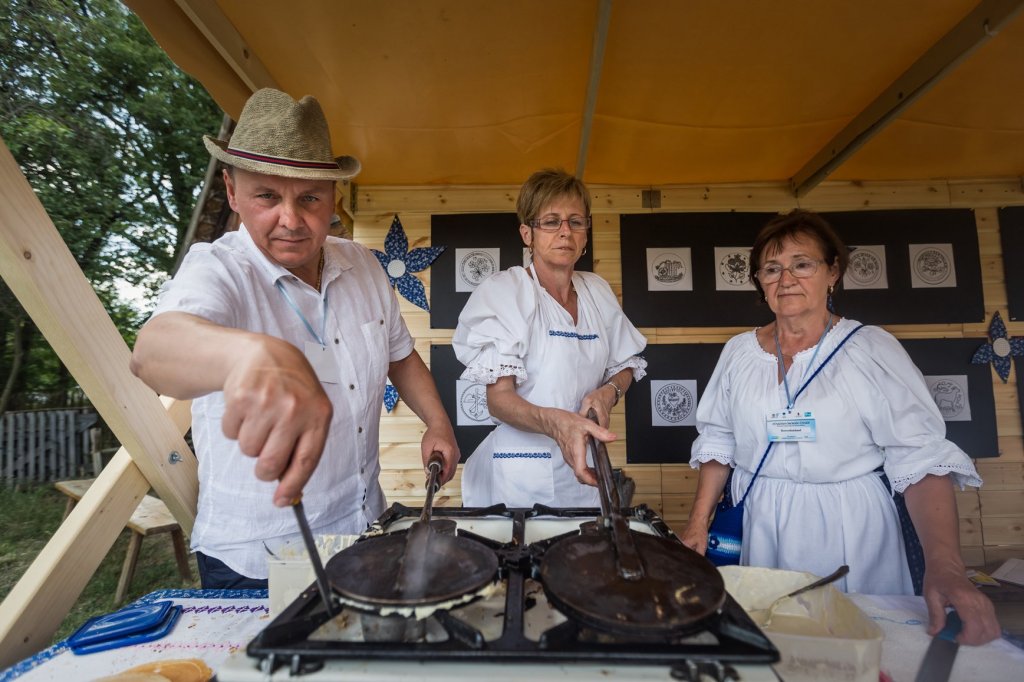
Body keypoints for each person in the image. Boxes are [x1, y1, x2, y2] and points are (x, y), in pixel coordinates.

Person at [130, 88, 459, 589]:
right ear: (232, 191)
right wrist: (254, 355)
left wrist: (438, 422)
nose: (291, 219)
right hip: (256, 561)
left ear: (334, 198)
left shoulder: (365, 266)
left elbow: (401, 357)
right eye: (267, 196)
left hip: (363, 530)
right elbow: (153, 351)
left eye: (309, 198)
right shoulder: (218, 268)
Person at [680, 209, 999, 645]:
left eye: (802, 264)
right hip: (761, 522)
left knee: (858, 644)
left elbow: (920, 458)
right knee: (769, 643)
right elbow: (719, 440)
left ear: (832, 272)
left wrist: (946, 566)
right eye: (771, 269)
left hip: (852, 524)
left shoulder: (869, 348)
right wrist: (698, 523)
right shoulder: (739, 352)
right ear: (759, 281)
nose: (785, 279)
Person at [452, 169, 647, 508]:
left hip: (584, 470)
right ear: (527, 233)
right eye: (551, 221)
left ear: (586, 232)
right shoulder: (505, 292)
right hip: (519, 479)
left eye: (576, 221)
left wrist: (608, 393)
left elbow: (625, 365)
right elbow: (499, 400)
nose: (565, 232)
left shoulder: (597, 291)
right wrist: (556, 423)